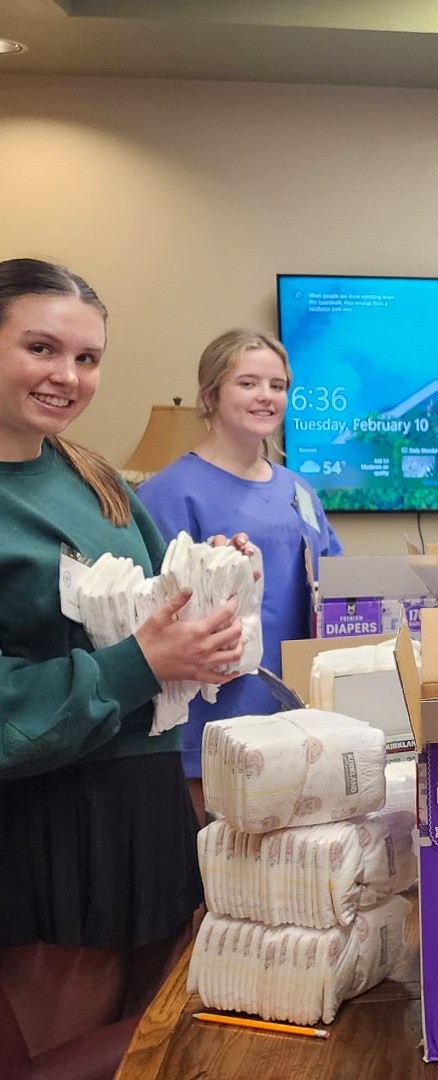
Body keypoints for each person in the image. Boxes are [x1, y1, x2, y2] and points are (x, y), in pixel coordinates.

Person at [0, 258, 247, 1055]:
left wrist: (207, 586)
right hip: (49, 819)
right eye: (40, 348)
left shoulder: (93, 473)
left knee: (152, 1041)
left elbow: (149, 611)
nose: (66, 376)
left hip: (141, 796)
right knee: (65, 1053)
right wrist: (143, 660)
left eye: (87, 357)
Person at [137, 329, 342, 821]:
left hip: (297, 722)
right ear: (210, 396)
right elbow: (150, 615)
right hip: (211, 728)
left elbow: (334, 586)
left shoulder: (299, 491)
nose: (266, 397)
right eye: (248, 383)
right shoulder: (170, 494)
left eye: (277, 385)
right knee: (211, 881)